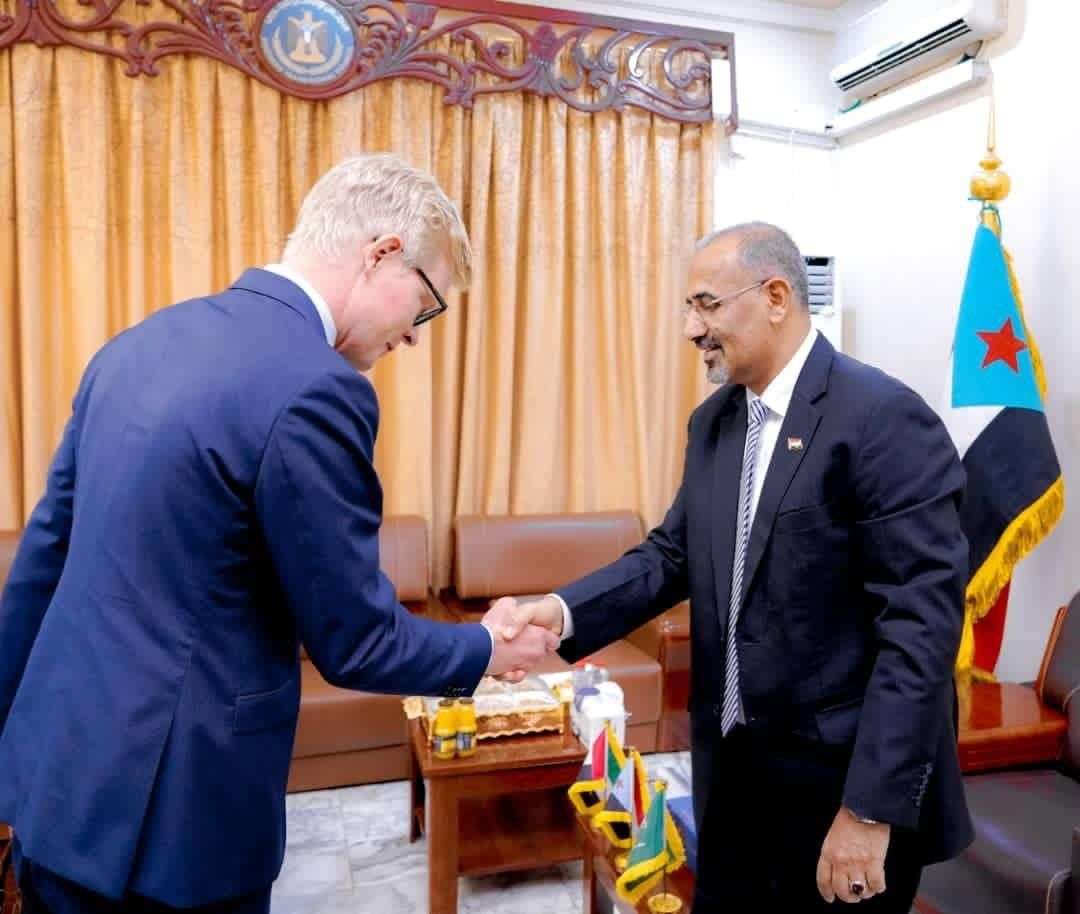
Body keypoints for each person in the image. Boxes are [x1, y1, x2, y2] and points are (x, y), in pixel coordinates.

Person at [0, 154, 556, 914]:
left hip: (52, 786)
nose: (414, 337)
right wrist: (487, 649)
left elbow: (42, 562)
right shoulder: (317, 388)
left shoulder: (134, 346)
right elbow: (356, 641)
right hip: (174, 827)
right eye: (426, 305)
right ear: (382, 253)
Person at [496, 223, 974, 911]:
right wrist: (560, 612)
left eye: (707, 305)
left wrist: (868, 813)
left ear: (776, 296)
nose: (692, 328)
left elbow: (920, 631)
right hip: (733, 781)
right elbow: (672, 555)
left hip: (839, 790)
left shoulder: (882, 418)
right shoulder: (715, 423)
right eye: (689, 308)